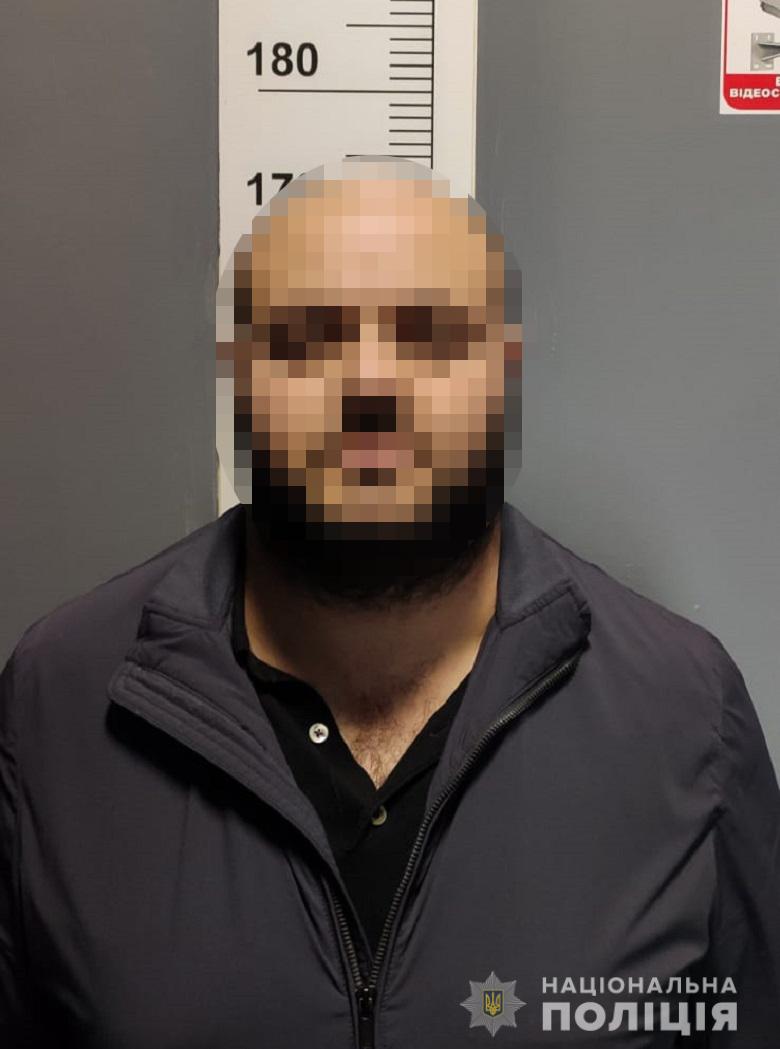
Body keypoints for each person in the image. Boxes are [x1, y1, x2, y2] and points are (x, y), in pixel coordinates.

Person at [1, 156, 778, 1048]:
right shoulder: (58, 703)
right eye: (308, 337)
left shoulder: (686, 715)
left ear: (504, 371)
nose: (371, 384)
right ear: (238, 377)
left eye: (430, 335)